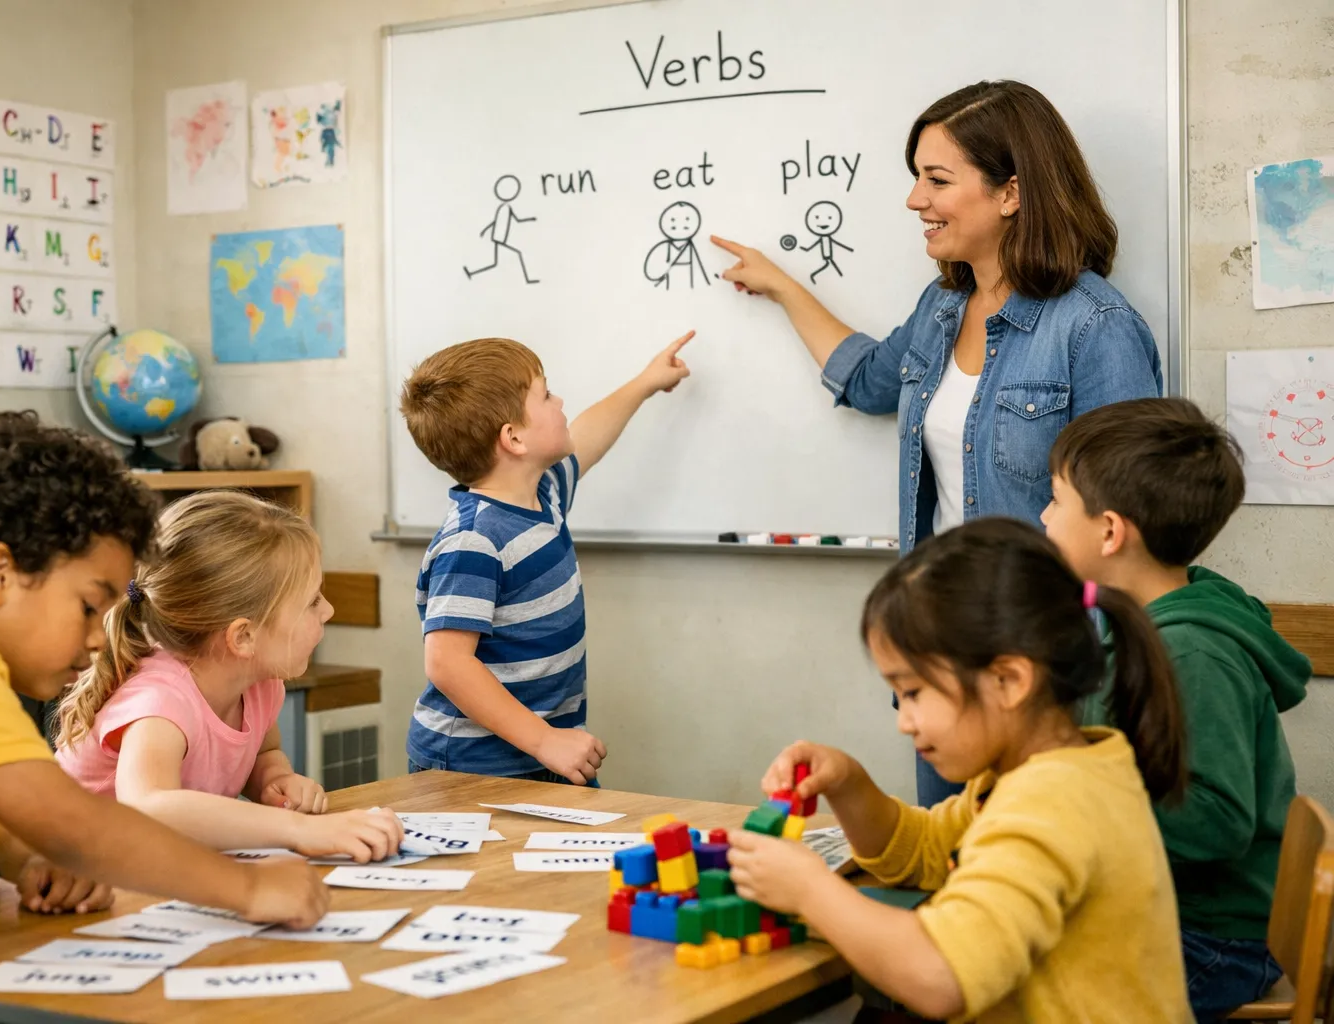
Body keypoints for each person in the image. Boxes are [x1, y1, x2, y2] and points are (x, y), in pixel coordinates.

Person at [714, 79, 1163, 805]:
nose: (914, 199)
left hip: (1047, 671)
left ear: (1011, 193)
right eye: (916, 177)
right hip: (944, 650)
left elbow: (1131, 526)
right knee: (947, 854)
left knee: (1033, 858)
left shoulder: (1095, 327)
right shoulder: (943, 306)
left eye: (937, 179)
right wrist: (784, 287)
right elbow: (868, 381)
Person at [0, 412, 328, 935]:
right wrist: (248, 888)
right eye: (88, 607)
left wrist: (28, 861)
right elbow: (75, 826)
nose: (99, 637)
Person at [727, 517, 1190, 1022]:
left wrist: (810, 891)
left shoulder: (1052, 801)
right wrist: (849, 783)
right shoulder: (1030, 775)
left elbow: (941, 975)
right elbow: (925, 849)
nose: (903, 721)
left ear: (1008, 681)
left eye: (913, 692)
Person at [1043, 397, 1311, 1020]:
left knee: (995, 980)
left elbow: (1217, 821)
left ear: (1110, 532)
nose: (1044, 516)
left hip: (1210, 940)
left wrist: (1075, 792)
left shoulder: (1192, 653)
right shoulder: (1135, 622)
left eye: (1055, 500)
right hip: (1162, 910)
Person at [399, 332, 692, 783]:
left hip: (542, 750)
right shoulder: (473, 540)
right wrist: (543, 740)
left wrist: (645, 383)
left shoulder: (543, 495)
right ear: (514, 438)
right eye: (546, 394)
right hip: (470, 764)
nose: (560, 401)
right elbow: (447, 663)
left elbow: (589, 435)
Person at [57, 490, 403, 859]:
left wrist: (274, 778)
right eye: (312, 601)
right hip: (72, 871)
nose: (329, 610)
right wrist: (298, 829)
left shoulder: (260, 683)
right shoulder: (160, 703)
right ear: (244, 637)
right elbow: (148, 808)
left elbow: (263, 751)